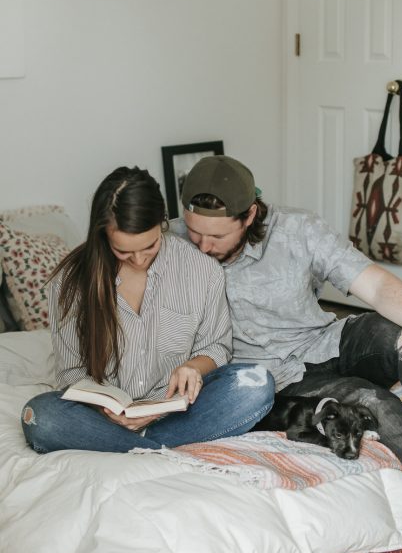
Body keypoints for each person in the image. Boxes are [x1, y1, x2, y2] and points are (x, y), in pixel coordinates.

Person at [171, 154, 402, 505]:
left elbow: (378, 288)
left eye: (217, 235)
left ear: (249, 214)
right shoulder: (169, 243)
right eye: (195, 231)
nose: (203, 246)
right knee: (371, 402)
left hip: (325, 342)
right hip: (277, 378)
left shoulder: (299, 229)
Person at [21, 166, 274, 454]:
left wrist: (193, 366)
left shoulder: (201, 269)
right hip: (104, 419)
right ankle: (154, 447)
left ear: (163, 223)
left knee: (257, 384)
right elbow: (71, 372)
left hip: (176, 412)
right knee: (39, 416)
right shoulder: (70, 282)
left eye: (150, 246)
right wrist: (104, 408)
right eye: (124, 251)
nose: (139, 259)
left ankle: (136, 446)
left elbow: (216, 346)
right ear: (103, 235)